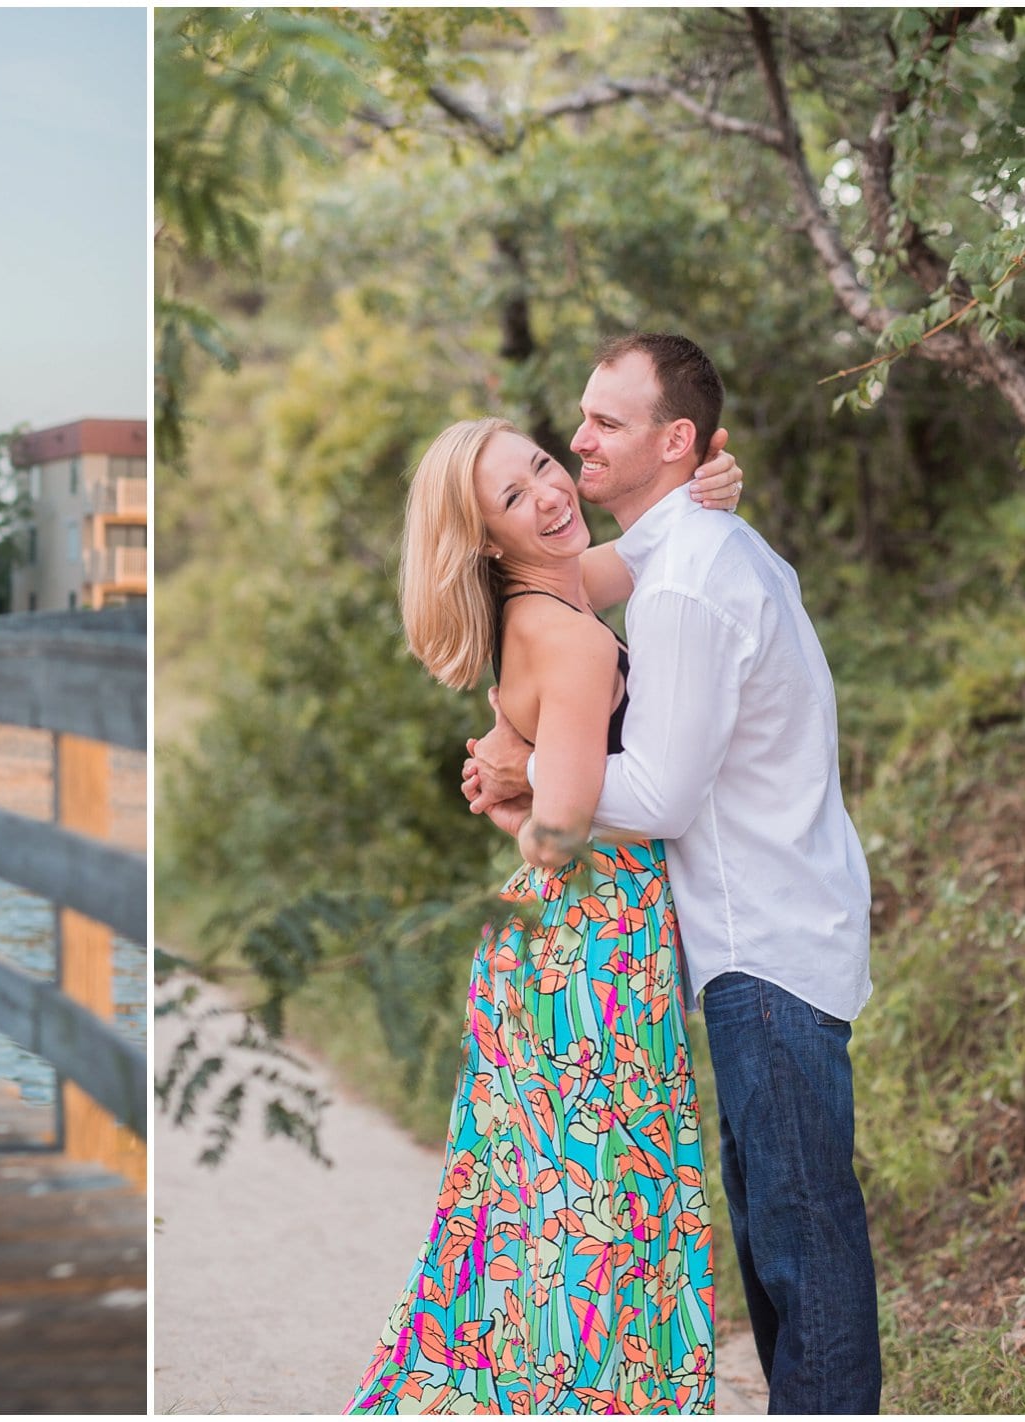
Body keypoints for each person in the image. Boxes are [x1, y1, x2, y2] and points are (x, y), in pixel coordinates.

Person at [464, 333, 878, 1414]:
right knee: (784, 1239)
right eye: (580, 420)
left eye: (604, 422)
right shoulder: (689, 547)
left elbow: (660, 796)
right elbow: (581, 576)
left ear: (677, 439)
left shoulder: (687, 581)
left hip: (765, 945)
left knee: (803, 1247)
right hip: (771, 936)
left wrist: (534, 770)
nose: (578, 439)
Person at [347, 418, 744, 1415]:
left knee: (534, 1216)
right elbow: (558, 837)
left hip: (558, 950)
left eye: (539, 465)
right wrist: (525, 789)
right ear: (487, 538)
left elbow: (628, 556)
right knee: (599, 1224)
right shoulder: (566, 641)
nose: (549, 492)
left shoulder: (544, 601)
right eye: (515, 498)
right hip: (594, 957)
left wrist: (705, 489)